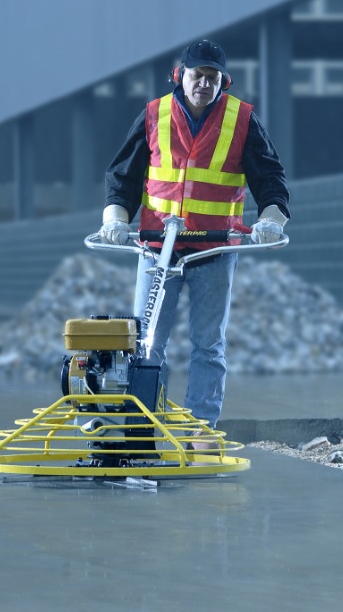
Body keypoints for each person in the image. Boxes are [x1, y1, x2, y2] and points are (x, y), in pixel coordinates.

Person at [100, 39, 290, 432]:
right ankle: (143, 429)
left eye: (212, 77)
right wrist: (116, 218)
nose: (204, 83)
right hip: (157, 248)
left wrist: (272, 219)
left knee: (208, 345)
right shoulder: (154, 115)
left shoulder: (242, 119)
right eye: (197, 75)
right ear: (179, 75)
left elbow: (270, 178)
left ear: (224, 82)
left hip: (214, 250)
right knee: (147, 342)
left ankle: (199, 433)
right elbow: (123, 177)